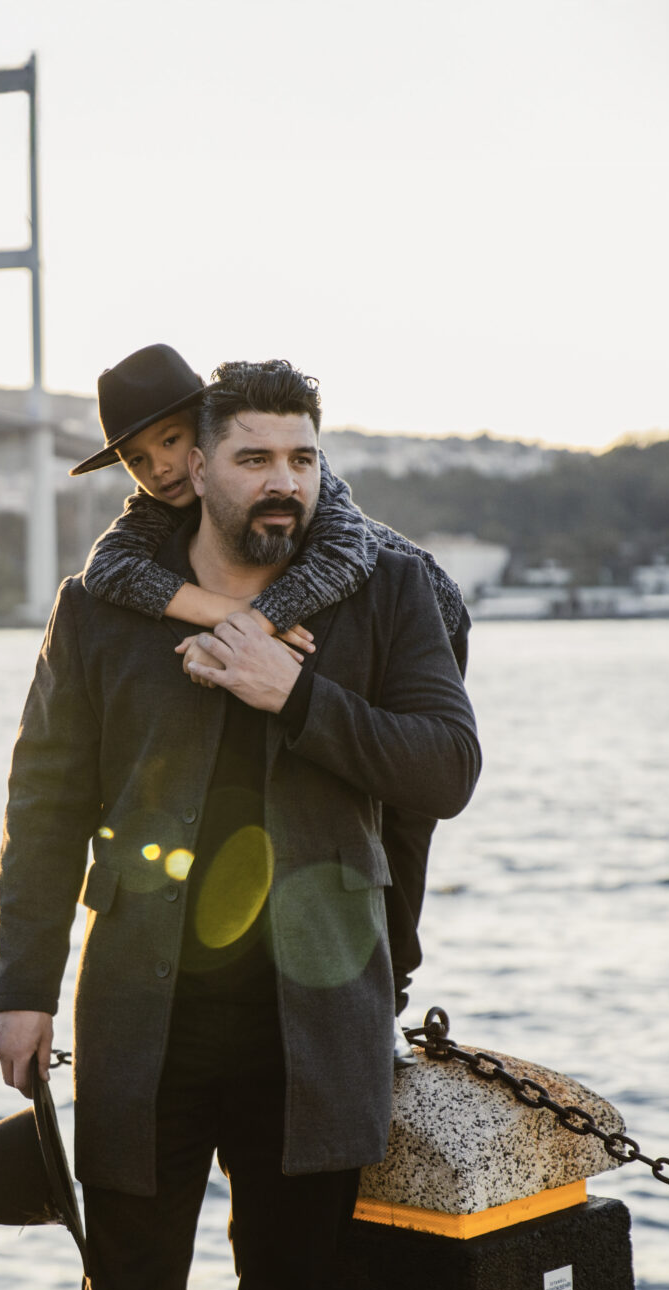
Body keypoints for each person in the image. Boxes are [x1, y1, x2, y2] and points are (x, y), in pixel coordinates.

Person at [0, 359, 481, 1290]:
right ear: (193, 468)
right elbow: (45, 803)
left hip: (319, 1014)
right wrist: (19, 985)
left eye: (302, 459)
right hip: (139, 1010)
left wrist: (293, 693)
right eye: (253, 457)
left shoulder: (388, 590)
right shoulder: (99, 607)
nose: (282, 482)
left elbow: (445, 769)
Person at [71, 343, 472, 1017]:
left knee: (400, 822)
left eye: (170, 441)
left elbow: (338, 568)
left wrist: (245, 634)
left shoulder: (306, 490)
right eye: (138, 459)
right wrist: (229, 620)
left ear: (204, 430)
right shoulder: (162, 507)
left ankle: (393, 987)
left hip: (428, 616)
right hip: (274, 627)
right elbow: (105, 572)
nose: (159, 467)